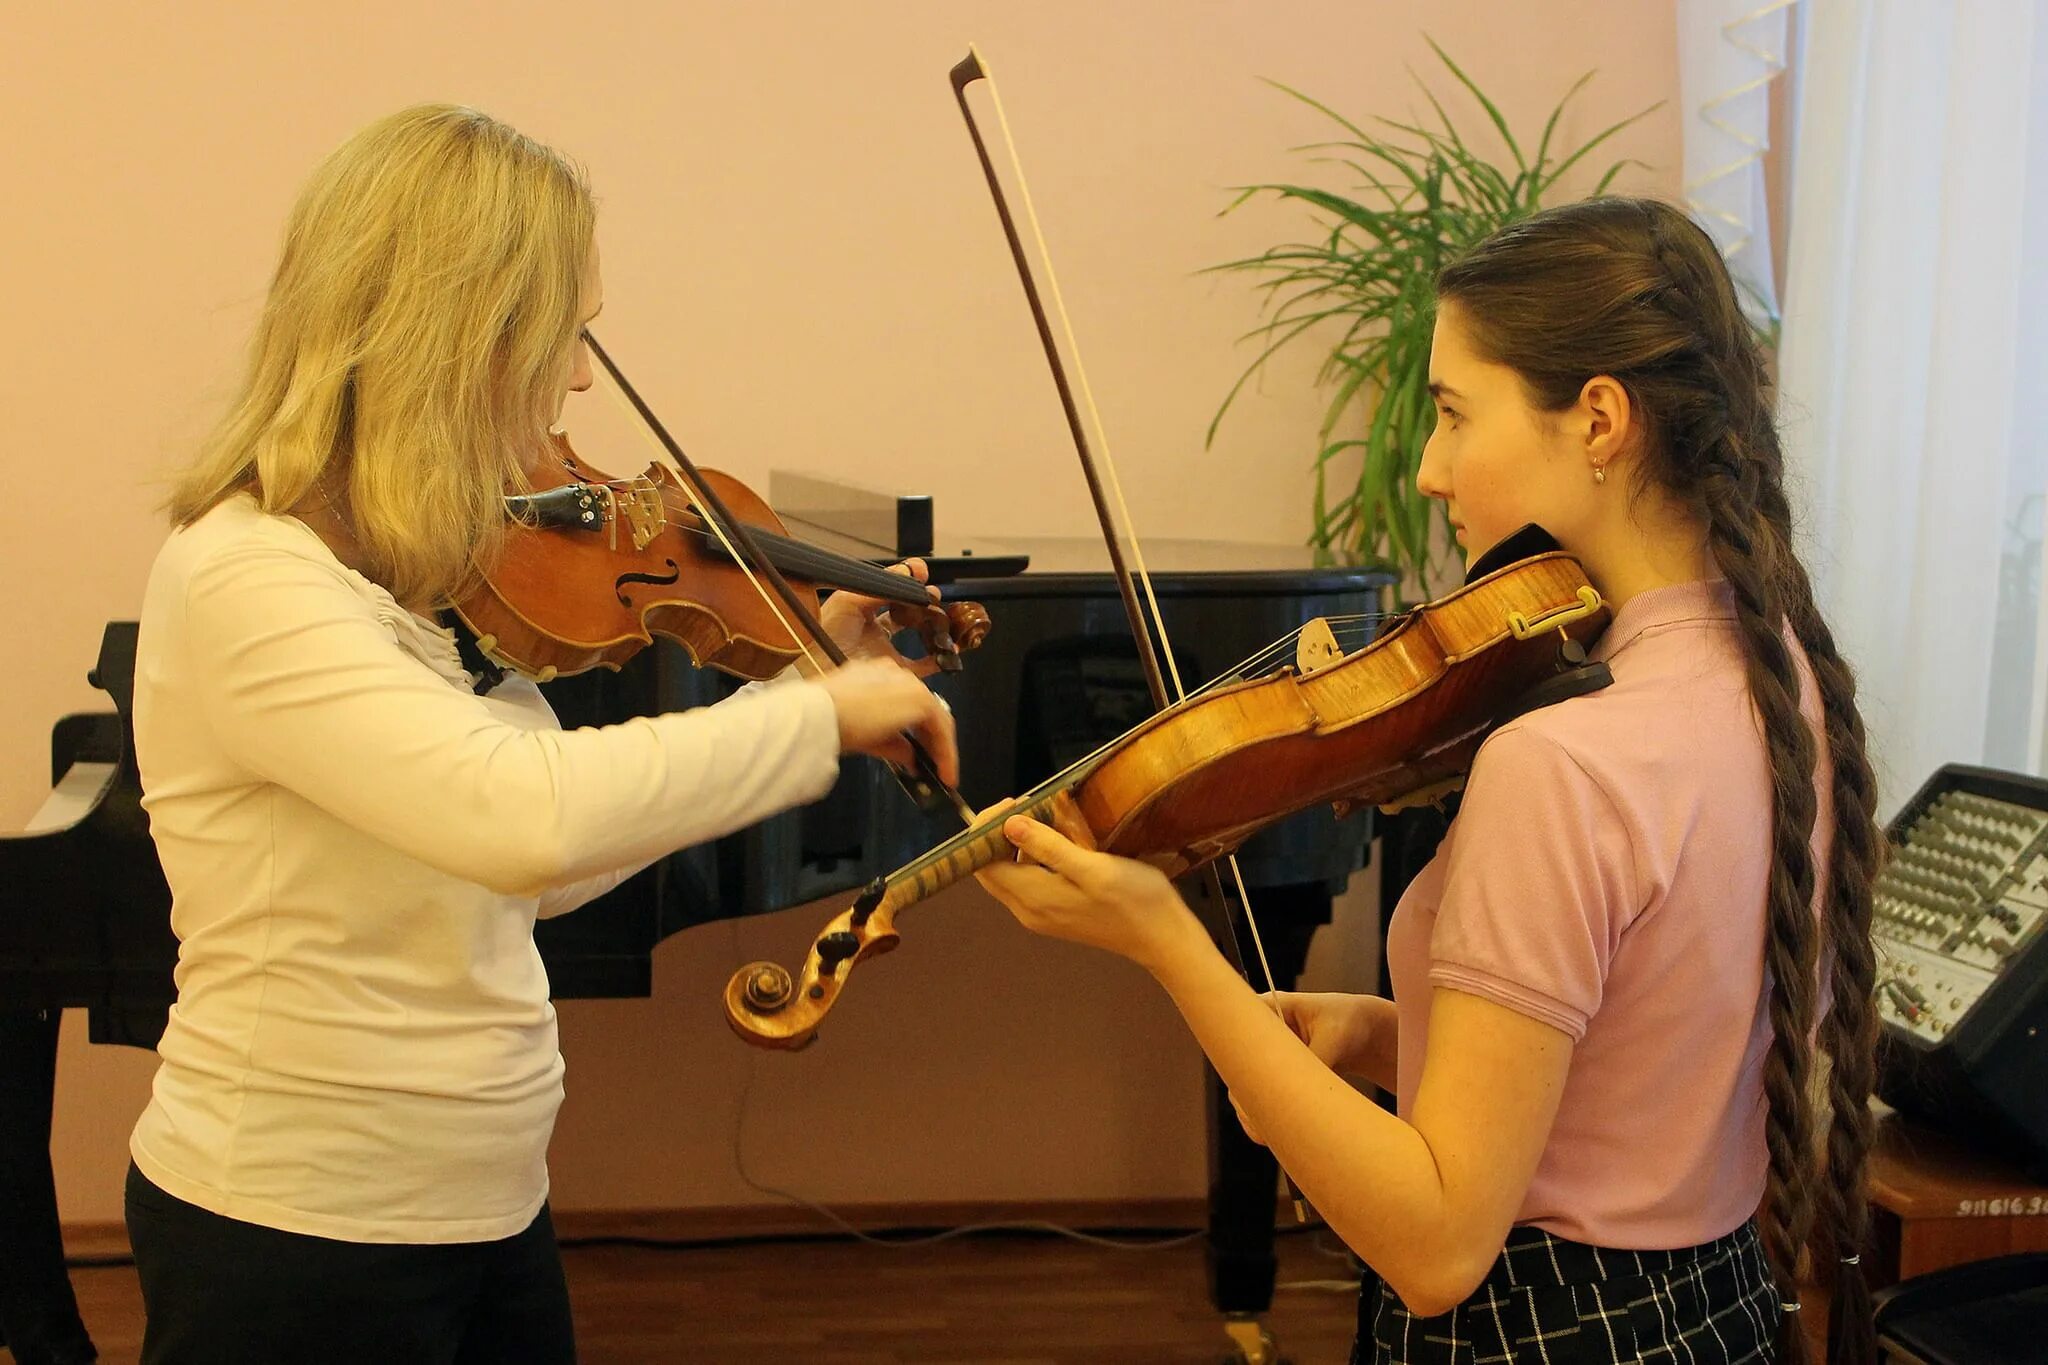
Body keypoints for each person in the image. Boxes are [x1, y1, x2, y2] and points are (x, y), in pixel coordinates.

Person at [977, 197, 1883, 1365]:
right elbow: (1652, 1052)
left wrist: (1166, 942)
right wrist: (1379, 1035)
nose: (1426, 470)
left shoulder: (1562, 765)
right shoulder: (1790, 688)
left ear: (1598, 420)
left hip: (1537, 1330)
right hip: (1715, 1312)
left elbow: (1437, 1239)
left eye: (1454, 415)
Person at [123, 103, 956, 1365]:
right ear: (460, 337)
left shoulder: (414, 581)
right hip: (300, 1229)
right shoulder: (246, 578)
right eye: (569, 334)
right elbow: (519, 815)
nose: (578, 377)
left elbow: (553, 864)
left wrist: (800, 690)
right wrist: (812, 713)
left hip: (481, 1205)